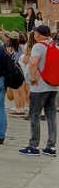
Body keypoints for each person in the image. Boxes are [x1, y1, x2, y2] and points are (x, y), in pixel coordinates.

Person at [19, 25, 58, 156]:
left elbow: (34, 62)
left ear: (38, 34)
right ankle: (51, 146)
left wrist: (33, 78)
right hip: (53, 85)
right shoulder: (55, 46)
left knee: (34, 115)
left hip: (40, 86)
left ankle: (33, 145)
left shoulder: (38, 46)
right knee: (51, 116)